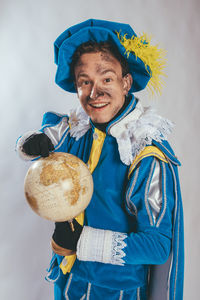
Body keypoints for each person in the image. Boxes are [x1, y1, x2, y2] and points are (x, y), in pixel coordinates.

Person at [16, 19, 184, 300]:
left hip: (118, 292)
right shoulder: (79, 130)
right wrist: (36, 142)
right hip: (70, 281)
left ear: (126, 82)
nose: (95, 93)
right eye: (85, 82)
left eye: (106, 79)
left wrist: (82, 241)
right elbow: (46, 136)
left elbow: (157, 245)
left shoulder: (146, 153)